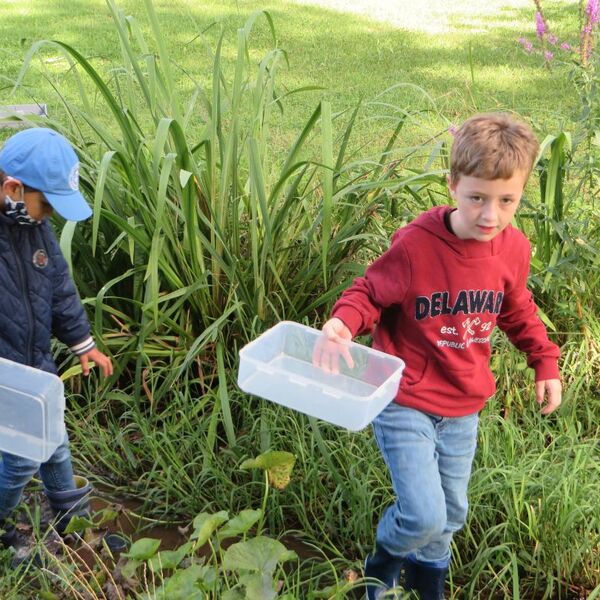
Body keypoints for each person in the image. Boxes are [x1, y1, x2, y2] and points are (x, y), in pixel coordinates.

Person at [315, 113, 562, 599]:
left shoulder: (512, 248)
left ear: (521, 193)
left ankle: (429, 587)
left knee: (450, 515)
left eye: (507, 201)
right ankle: (382, 565)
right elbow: (370, 291)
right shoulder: (417, 245)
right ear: (452, 185)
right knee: (423, 513)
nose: (490, 215)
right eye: (477, 198)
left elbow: (518, 310)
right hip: (405, 396)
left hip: (463, 404)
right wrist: (343, 321)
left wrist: (544, 360)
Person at [0, 127, 113, 551]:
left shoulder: (33, 226)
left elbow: (59, 287)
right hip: (5, 373)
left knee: (57, 444)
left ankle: (74, 525)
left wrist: (82, 341)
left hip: (35, 363)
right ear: (14, 188)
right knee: (22, 459)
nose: (48, 215)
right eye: (45, 204)